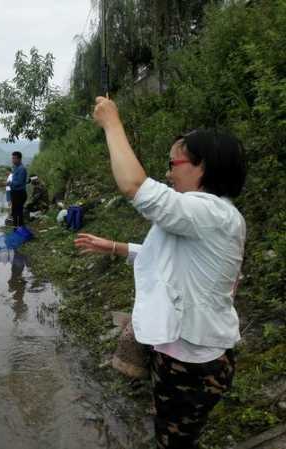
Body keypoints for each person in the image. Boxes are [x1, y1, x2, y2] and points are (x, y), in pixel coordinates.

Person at [74, 97, 246, 449]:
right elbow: (166, 260)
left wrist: (112, 124)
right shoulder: (202, 217)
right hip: (183, 354)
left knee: (174, 442)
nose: (168, 172)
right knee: (172, 432)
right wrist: (113, 246)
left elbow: (135, 186)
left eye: (173, 163)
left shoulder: (210, 213)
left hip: (194, 363)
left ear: (202, 166)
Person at [9, 151, 28, 228]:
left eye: (14, 158)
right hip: (15, 193)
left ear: (19, 159)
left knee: (19, 212)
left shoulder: (22, 169)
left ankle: (20, 229)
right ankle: (16, 229)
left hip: (20, 193)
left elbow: (19, 182)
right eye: (12, 158)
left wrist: (10, 183)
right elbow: (14, 181)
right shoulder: (15, 168)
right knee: (14, 212)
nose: (12, 160)